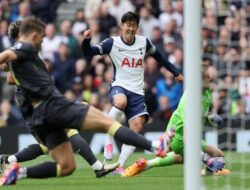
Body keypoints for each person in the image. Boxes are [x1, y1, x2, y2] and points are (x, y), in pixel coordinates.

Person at [0, 17, 169, 186]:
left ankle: (19, 172)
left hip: (38, 116)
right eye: (42, 36)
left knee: (67, 166)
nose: (43, 40)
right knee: (106, 122)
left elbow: (8, 71)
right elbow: (7, 55)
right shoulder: (25, 48)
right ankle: (155, 146)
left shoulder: (19, 56)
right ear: (34, 35)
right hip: (52, 105)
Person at [0, 20, 119, 178]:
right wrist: (31, 80)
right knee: (69, 131)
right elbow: (9, 77)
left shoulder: (25, 49)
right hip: (34, 99)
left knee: (47, 145)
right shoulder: (19, 50)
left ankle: (7, 159)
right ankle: (98, 167)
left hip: (34, 99)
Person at [81, 11, 184, 173]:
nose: (131, 28)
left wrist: (176, 73)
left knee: (136, 128)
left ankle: (119, 166)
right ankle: (109, 138)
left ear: (137, 27)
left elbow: (161, 58)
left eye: (134, 25)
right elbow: (88, 52)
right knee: (121, 102)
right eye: (128, 24)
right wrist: (86, 40)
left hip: (137, 92)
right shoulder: (112, 43)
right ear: (122, 26)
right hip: (119, 86)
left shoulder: (144, 42)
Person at [122, 65, 231, 177]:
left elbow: (201, 112)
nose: (211, 78)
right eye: (207, 76)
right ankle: (147, 164)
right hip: (179, 136)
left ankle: (145, 164)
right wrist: (207, 160)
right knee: (185, 158)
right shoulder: (190, 102)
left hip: (187, 132)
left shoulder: (206, 90)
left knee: (219, 155)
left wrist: (210, 117)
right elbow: (187, 140)